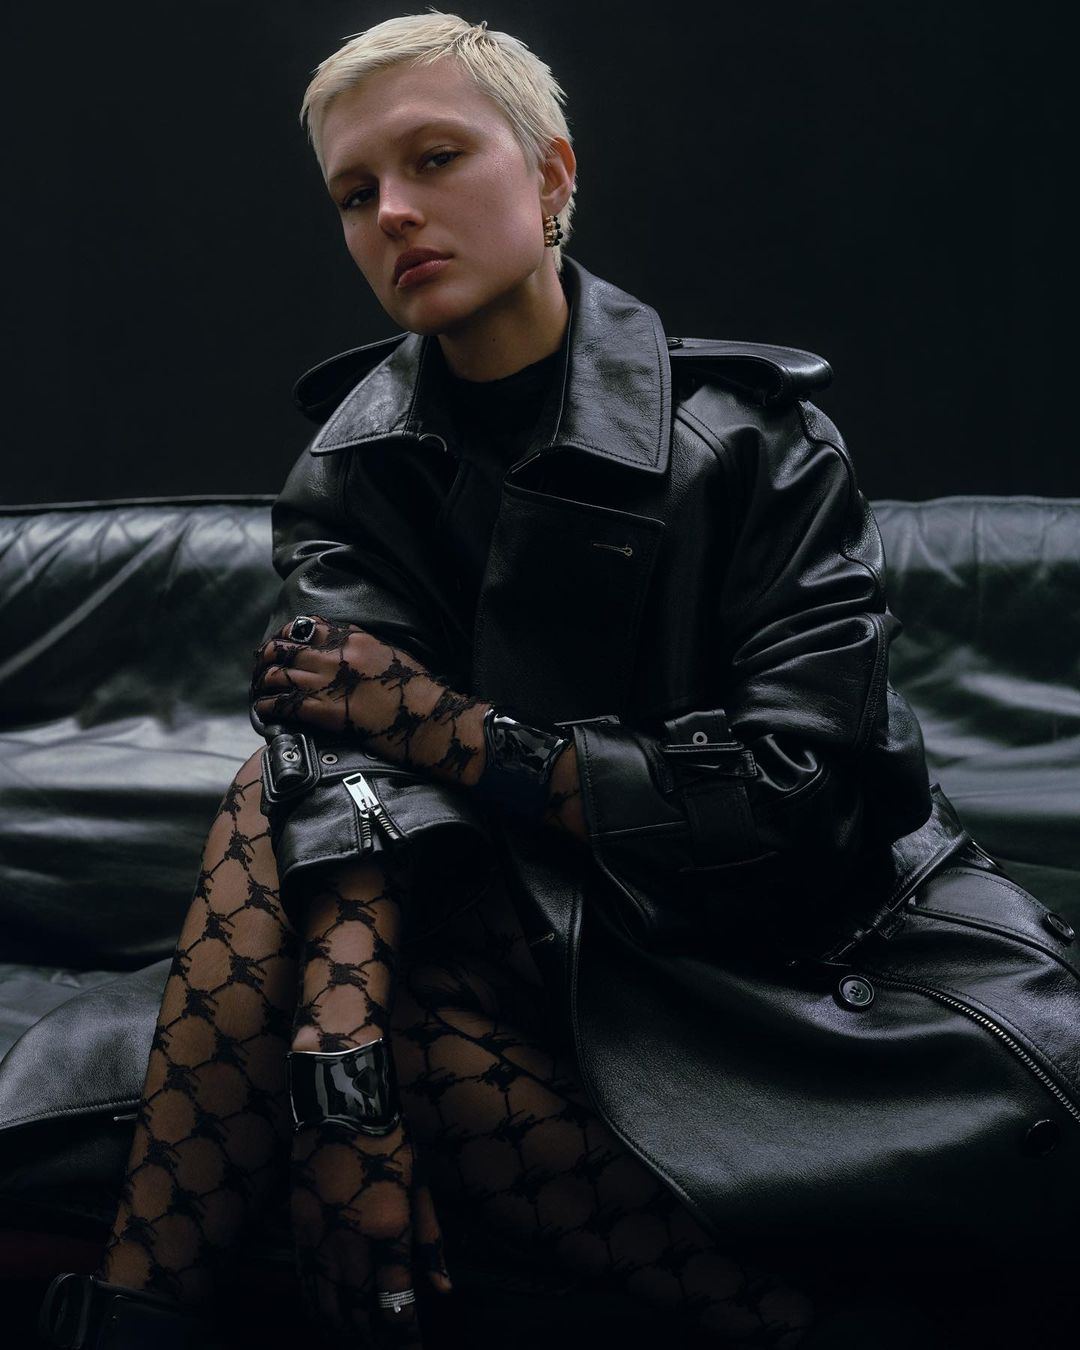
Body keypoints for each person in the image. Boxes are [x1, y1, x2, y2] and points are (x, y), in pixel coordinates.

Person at [36, 10, 953, 1349]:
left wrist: (457, 734)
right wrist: (342, 1084)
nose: (394, 214)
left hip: (757, 946)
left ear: (553, 175)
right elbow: (340, 764)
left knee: (313, 821)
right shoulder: (351, 469)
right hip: (513, 930)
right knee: (284, 792)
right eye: (356, 193)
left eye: (435, 158)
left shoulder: (759, 444)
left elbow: (800, 804)